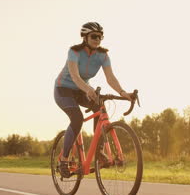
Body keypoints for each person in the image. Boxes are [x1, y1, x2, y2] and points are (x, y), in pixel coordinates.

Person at [54, 22, 132, 177]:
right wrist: (89, 89)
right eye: (94, 36)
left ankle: (99, 152)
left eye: (100, 37)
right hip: (63, 90)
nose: (98, 39)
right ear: (85, 37)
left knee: (99, 108)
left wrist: (122, 92)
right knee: (77, 119)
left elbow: (110, 78)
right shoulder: (74, 52)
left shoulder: (103, 55)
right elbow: (75, 77)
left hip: (82, 90)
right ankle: (64, 158)